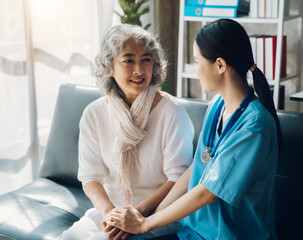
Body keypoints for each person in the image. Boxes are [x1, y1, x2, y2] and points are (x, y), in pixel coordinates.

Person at [103, 18, 281, 240]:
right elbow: (196, 168)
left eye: (197, 62)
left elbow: (208, 193)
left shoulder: (255, 126)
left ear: (220, 65)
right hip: (193, 231)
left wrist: (146, 225)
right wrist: (147, 219)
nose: (195, 70)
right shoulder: (217, 106)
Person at [59, 24, 194, 240]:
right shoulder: (94, 113)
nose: (139, 70)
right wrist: (110, 213)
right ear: (109, 66)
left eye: (146, 59)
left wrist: (135, 217)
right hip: (111, 210)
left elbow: (178, 180)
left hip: (158, 215)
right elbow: (90, 176)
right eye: (128, 60)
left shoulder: (172, 111)